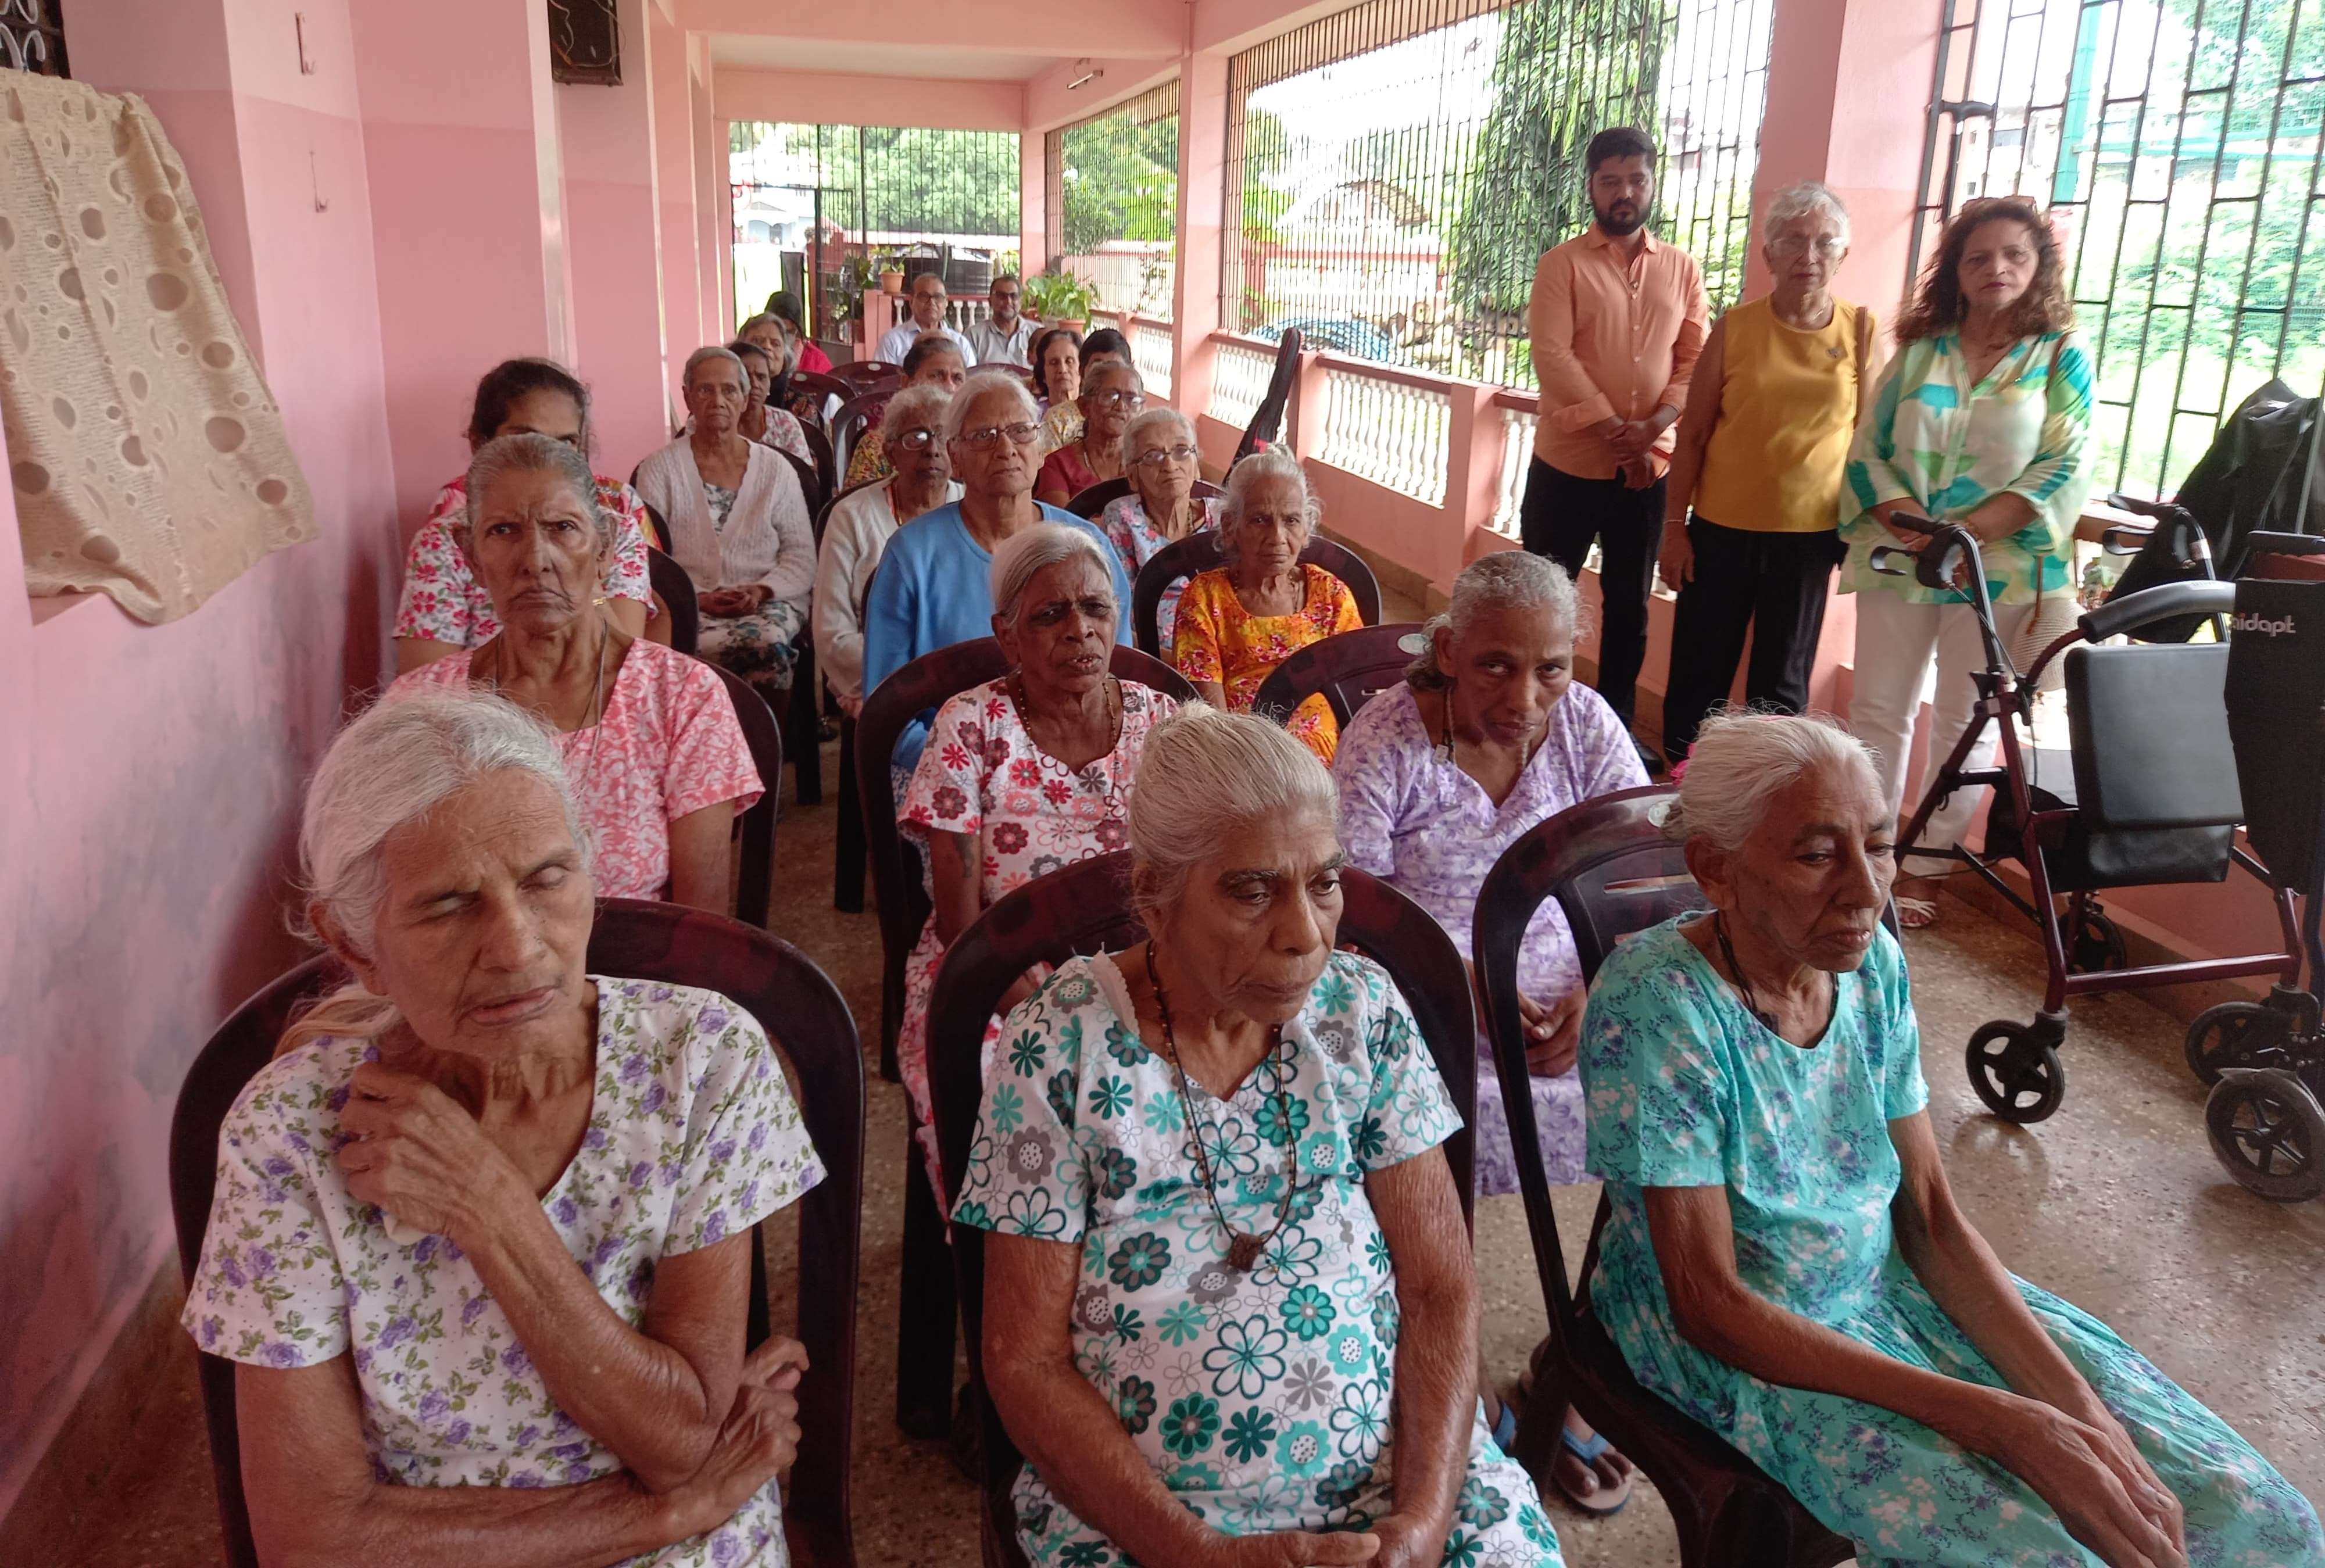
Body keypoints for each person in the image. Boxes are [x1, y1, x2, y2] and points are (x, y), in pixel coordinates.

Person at [1579, 711, 2323, 1567]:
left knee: (2260, 1517)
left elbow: (1929, 1217)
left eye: (1882, 844)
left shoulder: (1869, 964)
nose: (1866, 891)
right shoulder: (1658, 1004)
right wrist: (1999, 1418)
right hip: (1745, 1338)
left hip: (1890, 1280)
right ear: (1717, 869)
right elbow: (1710, 1305)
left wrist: (2076, 1412)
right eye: (1817, 855)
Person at [183, 691, 825, 1567]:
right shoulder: (289, 1133)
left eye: (547, 877)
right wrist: (661, 1515)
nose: (521, 948)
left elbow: (678, 1435)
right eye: (449, 905)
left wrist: (488, 1209)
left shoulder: (701, 1057)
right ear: (355, 940)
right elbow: (317, 1536)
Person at [954, 703, 1565, 1568]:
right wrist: (1197, 1551)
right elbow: (1025, 1361)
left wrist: (1423, 1525)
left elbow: (1439, 1289)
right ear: (1154, 899)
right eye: (1251, 889)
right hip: (1144, 1521)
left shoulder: (1362, 1010)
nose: (1307, 933)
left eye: (1324, 881)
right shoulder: (1060, 1043)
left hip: (1399, 1480)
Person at [1332, 552, 1642, 1514]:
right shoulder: (1387, 739)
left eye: (1552, 666)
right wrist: (1463, 988)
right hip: (1421, 998)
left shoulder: (1586, 725)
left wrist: (1598, 989)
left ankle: (1582, 1370)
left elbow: (1636, 870)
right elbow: (1350, 906)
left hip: (1562, 987)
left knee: (1670, 1100)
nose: (1528, 693)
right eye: (1498, 665)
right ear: (1450, 650)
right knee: (1423, 1133)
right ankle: (1437, 1372)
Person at [895, 524, 1178, 1190]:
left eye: (1096, 609)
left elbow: (1195, 880)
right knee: (1023, 1104)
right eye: (1050, 614)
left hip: (1149, 968)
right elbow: (959, 920)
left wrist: (1138, 991)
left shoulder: (1162, 721)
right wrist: (1057, 1001)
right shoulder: (970, 726)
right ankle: (1014, 1275)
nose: (1079, 629)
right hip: (995, 973)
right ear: (1007, 635)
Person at [1841, 194, 2092, 928]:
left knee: (1965, 719)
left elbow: (2062, 464)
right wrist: (1918, 529)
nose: (1996, 268)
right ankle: (1868, 855)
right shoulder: (1921, 351)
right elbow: (1868, 449)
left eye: (2015, 254)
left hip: (2000, 568)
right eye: (1978, 256)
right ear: (1954, 269)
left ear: (2039, 265)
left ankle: (1928, 867)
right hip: (1902, 555)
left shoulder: (2059, 357)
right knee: (1878, 711)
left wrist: (1965, 534)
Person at [387, 435, 762, 909]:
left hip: (636, 980)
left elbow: (698, 927)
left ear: (604, 547)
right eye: (503, 531)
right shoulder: (420, 710)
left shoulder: (683, 697)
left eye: (563, 527)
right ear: (470, 557)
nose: (536, 561)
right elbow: (403, 911)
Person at [1657, 182, 1875, 772]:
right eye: (1793, 241)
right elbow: (1694, 434)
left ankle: (1761, 798)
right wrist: (1673, 529)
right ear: (1769, 255)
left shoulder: (1860, 332)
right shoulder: (1735, 328)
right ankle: (1679, 785)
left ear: (1842, 254)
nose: (1809, 255)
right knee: (1699, 672)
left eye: (1824, 242)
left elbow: (1871, 444)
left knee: (1780, 684)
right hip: (1721, 532)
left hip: (1809, 539)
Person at [1520, 126, 1709, 764]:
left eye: (1635, 180)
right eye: (1610, 182)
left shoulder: (1682, 269)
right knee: (1544, 600)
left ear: (1651, 183)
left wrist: (1653, 427)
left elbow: (1695, 360)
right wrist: (1614, 432)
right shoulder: (1562, 265)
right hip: (1567, 469)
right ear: (1591, 188)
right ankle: (1537, 722)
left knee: (1630, 608)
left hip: (1645, 475)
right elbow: (1553, 355)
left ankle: (1618, 731)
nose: (1624, 193)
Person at [860, 372, 1133, 785]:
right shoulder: (910, 555)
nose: (1006, 449)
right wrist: (972, 768)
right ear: (954, 455)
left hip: (1081, 757)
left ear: (1041, 447)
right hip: (948, 767)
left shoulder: (1087, 546)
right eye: (984, 435)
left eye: (1021, 431)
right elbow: (887, 711)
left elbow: (1122, 680)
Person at [393, 359, 654, 675]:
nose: (545, 457)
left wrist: (586, 574)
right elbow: (425, 685)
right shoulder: (445, 542)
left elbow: (626, 669)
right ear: (480, 443)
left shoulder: (613, 529)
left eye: (566, 442)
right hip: (479, 714)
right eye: (525, 438)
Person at [633, 348, 818, 706]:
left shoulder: (776, 469)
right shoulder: (658, 470)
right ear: (687, 396)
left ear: (746, 398)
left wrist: (761, 591)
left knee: (768, 642)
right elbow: (647, 559)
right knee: (670, 647)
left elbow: (801, 555)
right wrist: (697, 598)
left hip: (766, 602)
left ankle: (764, 757)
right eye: (705, 390)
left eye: (730, 390)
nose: (718, 400)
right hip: (684, 605)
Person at [1173, 450, 1363, 764]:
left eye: (1291, 521)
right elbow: (1210, 716)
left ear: (1306, 531)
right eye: (1260, 520)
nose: (1277, 537)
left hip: (1335, 762)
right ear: (1231, 527)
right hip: (1248, 761)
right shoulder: (1205, 598)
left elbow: (1356, 693)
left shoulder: (1331, 595)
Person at [812, 385, 962, 719]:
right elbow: (831, 633)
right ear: (890, 452)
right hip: (876, 679)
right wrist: (905, 678)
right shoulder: (851, 516)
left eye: (942, 435)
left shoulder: (974, 509)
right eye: (916, 438)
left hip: (963, 681)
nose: (933, 450)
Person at [1096, 406, 1219, 648]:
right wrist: (1164, 662)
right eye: (1153, 456)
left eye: (1182, 451)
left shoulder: (1224, 518)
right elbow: (1114, 612)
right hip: (1152, 655)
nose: (1170, 465)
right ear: (1132, 475)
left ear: (1196, 465)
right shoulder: (1122, 518)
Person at [843, 334, 969, 490]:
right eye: (937, 375)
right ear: (907, 383)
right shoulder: (877, 447)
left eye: (957, 378)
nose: (950, 387)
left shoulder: (974, 443)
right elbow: (858, 507)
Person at [1033, 359, 1143, 508]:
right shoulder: (1057, 465)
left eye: (1131, 399)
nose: (1121, 406)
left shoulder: (1145, 463)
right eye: (1110, 396)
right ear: (1085, 406)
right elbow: (1063, 524)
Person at [726, 338, 813, 465]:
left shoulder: (785, 424)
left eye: (761, 377)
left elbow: (803, 479)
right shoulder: (709, 423)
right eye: (745, 377)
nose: (754, 384)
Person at [877, 272, 977, 367]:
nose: (932, 302)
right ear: (911, 302)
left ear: (946, 303)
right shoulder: (892, 341)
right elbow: (885, 382)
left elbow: (972, 382)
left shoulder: (961, 343)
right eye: (924, 296)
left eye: (938, 297)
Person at [1030, 324, 1086, 456]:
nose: (1062, 369)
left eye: (1069, 361)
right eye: (1054, 363)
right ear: (1043, 374)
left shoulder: (1093, 412)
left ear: (1082, 369)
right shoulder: (1033, 416)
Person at [964, 273, 1036, 368]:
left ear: (1021, 301)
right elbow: (968, 375)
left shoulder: (1036, 333)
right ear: (990, 301)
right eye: (1002, 296)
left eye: (1014, 296)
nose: (1008, 302)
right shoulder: (974, 335)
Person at [766, 289, 833, 374]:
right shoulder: (755, 357)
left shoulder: (817, 361)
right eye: (777, 331)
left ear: (797, 330)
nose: (782, 338)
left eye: (788, 332)